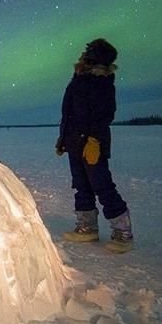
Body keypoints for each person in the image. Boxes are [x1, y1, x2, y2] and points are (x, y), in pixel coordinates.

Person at [55, 38, 133, 253]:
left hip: (91, 143)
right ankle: (87, 227)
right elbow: (69, 113)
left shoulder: (101, 82)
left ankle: (123, 232)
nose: (82, 54)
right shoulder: (79, 78)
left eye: (87, 51)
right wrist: (63, 139)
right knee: (81, 185)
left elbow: (104, 115)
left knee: (101, 185)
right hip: (74, 140)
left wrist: (94, 140)